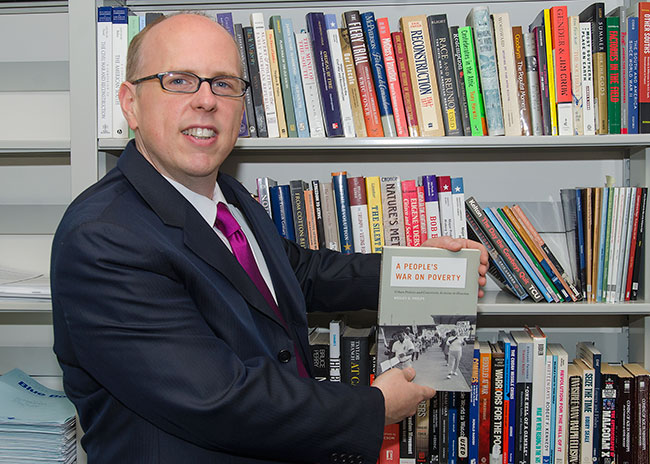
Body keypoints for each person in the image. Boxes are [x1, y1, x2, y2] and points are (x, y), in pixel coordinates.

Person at [50, 13, 488, 464]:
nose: (206, 100)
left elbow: (296, 272)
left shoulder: (227, 195)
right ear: (130, 103)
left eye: (223, 83)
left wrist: (414, 270)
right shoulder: (102, 239)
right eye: (179, 80)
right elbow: (219, 399)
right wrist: (374, 408)